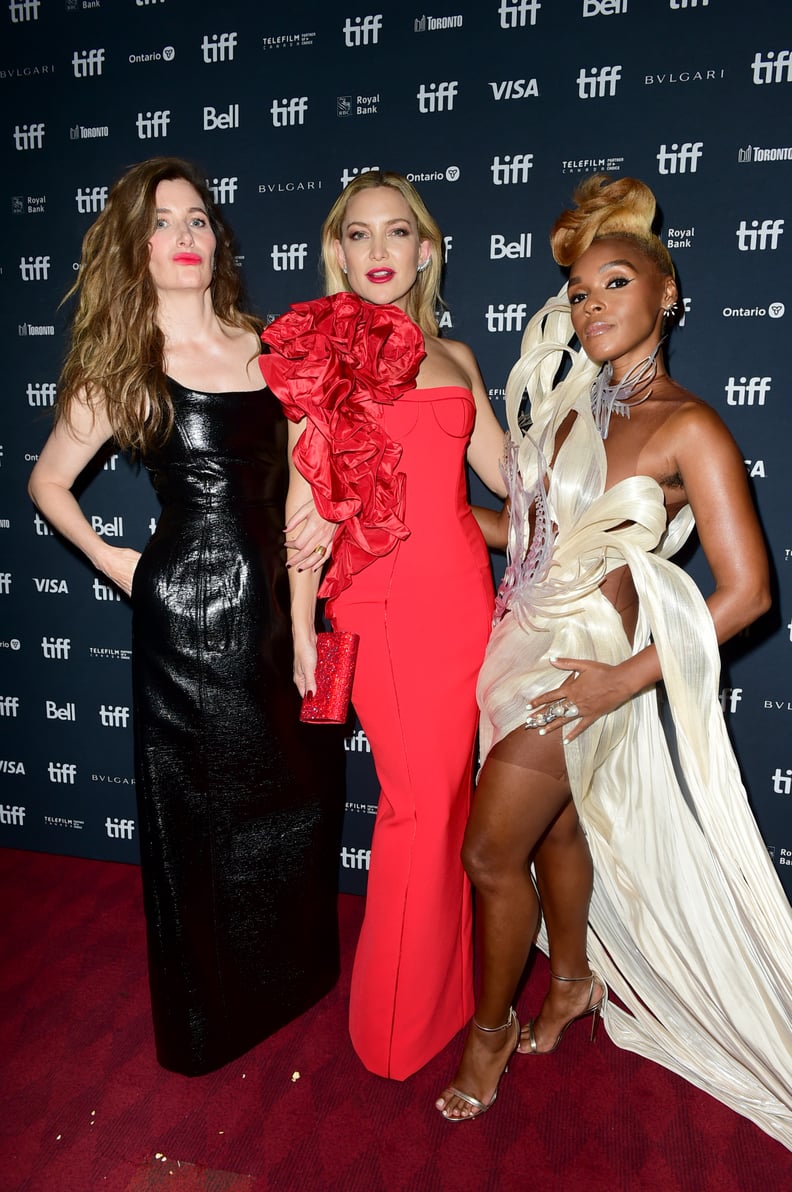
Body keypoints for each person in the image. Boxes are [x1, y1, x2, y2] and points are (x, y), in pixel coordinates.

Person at [436, 174, 792, 1148]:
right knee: (554, 837)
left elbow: (748, 593)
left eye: (616, 283)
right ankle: (578, 979)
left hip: (585, 666)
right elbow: (524, 532)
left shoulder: (690, 425)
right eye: (580, 293)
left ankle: (489, 1030)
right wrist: (421, 516)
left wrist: (622, 680)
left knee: (487, 853)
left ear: (667, 294)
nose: (593, 305)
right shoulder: (561, 416)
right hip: (514, 647)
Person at [28, 156, 344, 1077]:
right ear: (136, 249)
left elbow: (296, 492)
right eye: (162, 224)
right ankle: (213, 1016)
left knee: (295, 787)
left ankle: (289, 979)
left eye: (198, 219)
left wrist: (303, 598)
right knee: (200, 814)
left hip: (275, 609)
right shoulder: (123, 366)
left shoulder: (267, 346)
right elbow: (47, 483)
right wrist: (113, 560)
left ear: (218, 238)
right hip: (186, 613)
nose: (185, 237)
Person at [259, 170, 508, 1080]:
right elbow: (301, 505)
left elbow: (508, 472)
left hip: (464, 599)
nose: (376, 251)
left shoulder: (460, 360)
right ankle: (397, 1025)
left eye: (395, 233)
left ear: (425, 250)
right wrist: (298, 632)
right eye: (356, 235)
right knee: (418, 808)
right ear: (336, 252)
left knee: (453, 805)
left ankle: (442, 996)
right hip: (385, 605)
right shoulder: (326, 356)